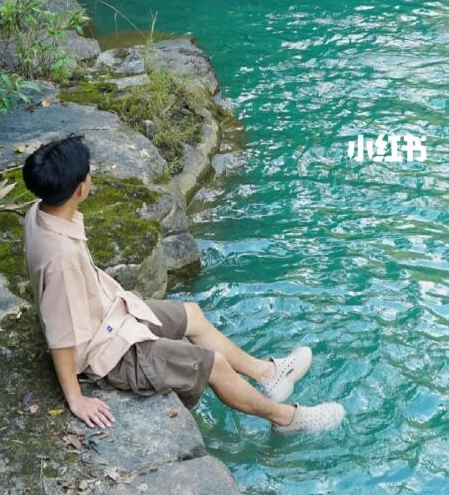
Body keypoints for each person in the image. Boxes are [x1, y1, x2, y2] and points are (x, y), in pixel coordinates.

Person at [21, 133, 345, 434]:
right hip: (106, 353)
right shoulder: (60, 258)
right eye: (88, 174)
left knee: (191, 314)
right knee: (212, 364)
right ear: (80, 189)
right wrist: (75, 398)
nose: (91, 177)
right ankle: (285, 418)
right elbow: (62, 334)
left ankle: (268, 375)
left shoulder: (41, 210)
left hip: (110, 316)